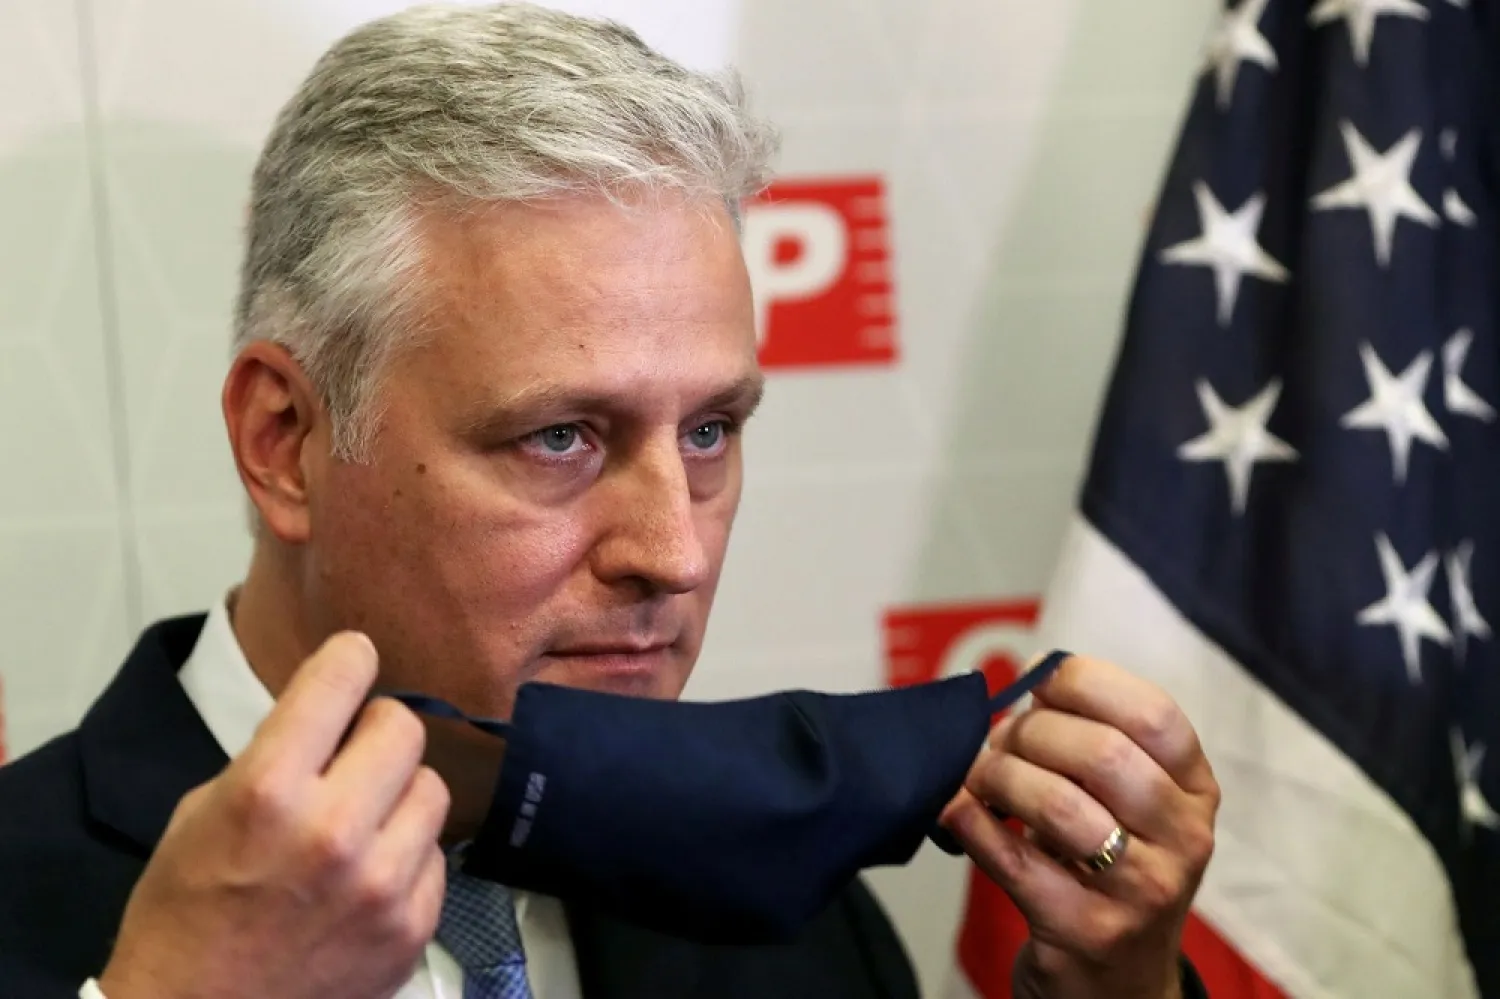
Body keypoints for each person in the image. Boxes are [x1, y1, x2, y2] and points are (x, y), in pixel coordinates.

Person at [0, 4, 1220, 997]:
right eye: (561, 438)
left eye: (709, 432)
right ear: (284, 443)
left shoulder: (789, 922)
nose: (674, 553)